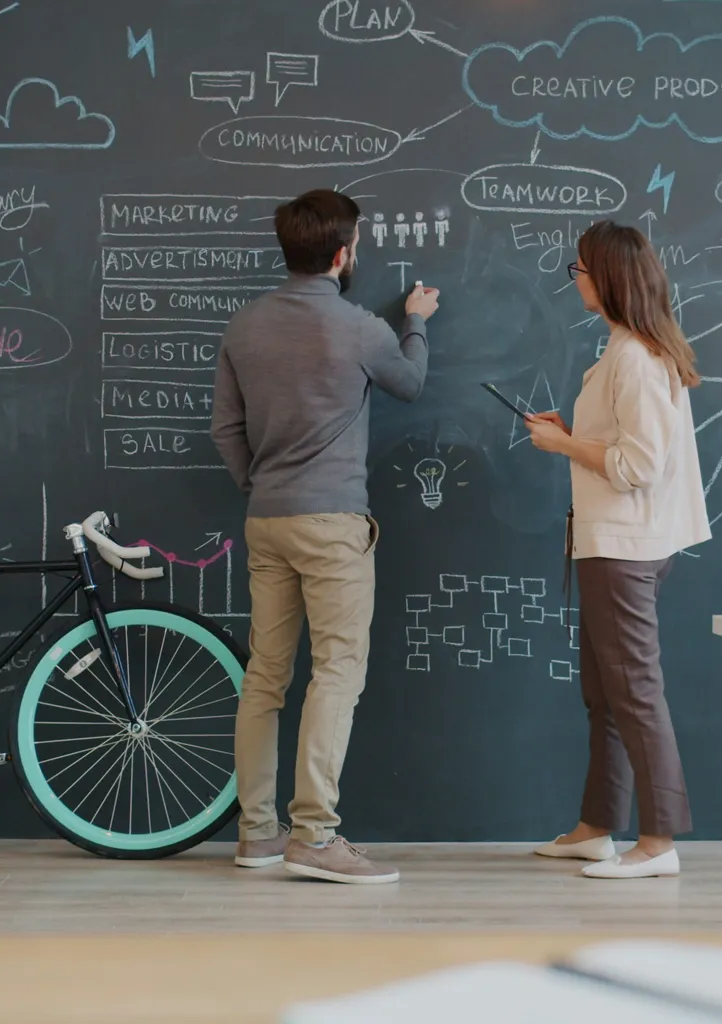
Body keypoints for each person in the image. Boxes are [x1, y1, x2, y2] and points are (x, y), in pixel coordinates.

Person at [211, 189, 440, 885]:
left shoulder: (243, 327)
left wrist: (261, 484)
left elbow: (225, 429)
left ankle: (257, 834)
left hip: (267, 519)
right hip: (333, 520)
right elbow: (411, 383)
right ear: (342, 255)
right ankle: (314, 834)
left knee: (266, 675)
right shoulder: (360, 326)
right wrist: (418, 321)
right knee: (337, 671)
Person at [523, 220, 711, 880]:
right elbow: (631, 449)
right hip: (615, 541)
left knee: (633, 691)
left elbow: (638, 466)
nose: (574, 280)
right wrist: (574, 432)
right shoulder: (629, 350)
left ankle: (659, 843)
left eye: (578, 270)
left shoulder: (632, 354)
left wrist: (563, 446)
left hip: (624, 547)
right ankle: (596, 827)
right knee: (605, 692)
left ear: (606, 277)